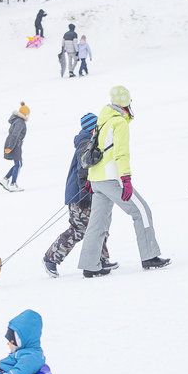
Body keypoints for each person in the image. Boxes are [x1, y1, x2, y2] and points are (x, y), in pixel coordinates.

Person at [77, 86, 170, 277]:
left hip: (97, 179)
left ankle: (90, 265)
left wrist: (91, 178)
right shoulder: (119, 122)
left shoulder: (102, 120)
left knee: (97, 223)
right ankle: (149, 256)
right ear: (126, 102)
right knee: (142, 211)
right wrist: (126, 179)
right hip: (112, 179)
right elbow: (120, 154)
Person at [42, 113, 116, 277]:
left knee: (98, 225)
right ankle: (51, 259)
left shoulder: (91, 140)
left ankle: (101, 260)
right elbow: (83, 168)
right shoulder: (85, 143)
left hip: (88, 192)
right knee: (79, 229)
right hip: (80, 195)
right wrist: (84, 193)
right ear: (93, 128)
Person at [0, 102, 29, 192]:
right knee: (18, 164)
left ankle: (5, 179)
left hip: (14, 144)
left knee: (18, 164)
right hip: (15, 145)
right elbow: (15, 135)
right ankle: (13, 184)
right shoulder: (20, 122)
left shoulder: (17, 120)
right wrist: (10, 147)